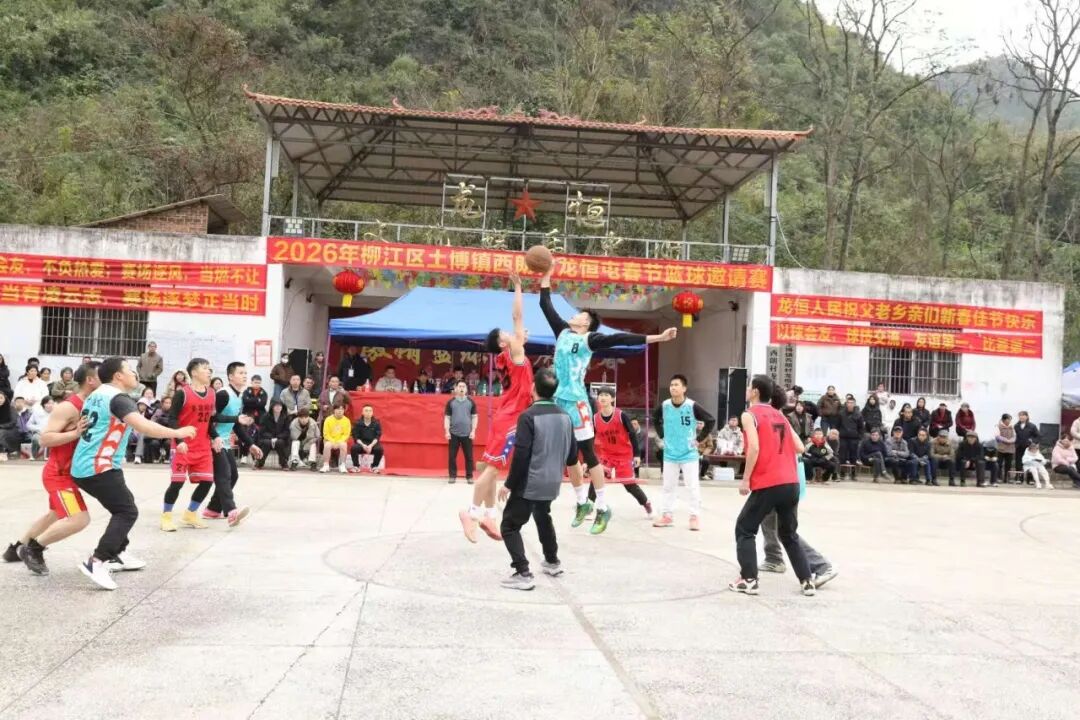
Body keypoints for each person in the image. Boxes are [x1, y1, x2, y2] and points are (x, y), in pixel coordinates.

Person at [539, 264, 677, 534]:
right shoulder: (563, 333)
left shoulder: (590, 339)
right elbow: (545, 304)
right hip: (559, 401)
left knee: (588, 453)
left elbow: (622, 339)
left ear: (586, 323)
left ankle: (602, 507)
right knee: (569, 456)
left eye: (579, 314)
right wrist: (546, 273)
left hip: (578, 402)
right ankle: (582, 502)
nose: (573, 315)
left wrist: (658, 337)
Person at [72, 357, 196, 589]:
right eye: (129, 370)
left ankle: (118, 552)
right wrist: (177, 432)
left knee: (123, 505)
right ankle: (97, 561)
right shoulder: (117, 398)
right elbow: (143, 426)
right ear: (118, 376)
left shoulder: (97, 394)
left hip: (89, 464)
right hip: (98, 465)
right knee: (126, 511)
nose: (135, 374)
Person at [4, 362, 100, 575]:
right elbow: (45, 439)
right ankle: (33, 549)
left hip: (70, 473)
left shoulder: (94, 404)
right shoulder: (69, 406)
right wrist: (74, 434)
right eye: (103, 376)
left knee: (54, 514)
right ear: (91, 380)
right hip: (59, 475)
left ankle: (16, 549)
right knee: (79, 519)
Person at [459, 273, 534, 541]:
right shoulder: (514, 352)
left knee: (490, 467)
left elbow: (518, 333)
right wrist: (518, 287)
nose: (513, 333)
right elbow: (517, 316)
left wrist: (520, 338)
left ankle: (490, 514)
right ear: (504, 343)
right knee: (491, 470)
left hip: (504, 416)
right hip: (511, 419)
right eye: (507, 334)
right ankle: (471, 512)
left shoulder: (505, 357)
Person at [728, 374, 815, 597]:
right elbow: (799, 447)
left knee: (744, 528)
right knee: (789, 534)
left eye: (749, 386)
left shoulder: (749, 414)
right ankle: (807, 580)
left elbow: (754, 448)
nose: (747, 390)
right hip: (791, 482)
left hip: (769, 481)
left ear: (755, 391)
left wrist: (746, 479)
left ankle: (749, 580)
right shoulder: (780, 414)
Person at [495, 367, 577, 590]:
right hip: (553, 481)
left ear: (533, 388)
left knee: (509, 525)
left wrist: (509, 484)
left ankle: (522, 572)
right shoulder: (566, 417)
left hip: (531, 480)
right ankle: (552, 561)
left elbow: (521, 455)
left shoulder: (528, 416)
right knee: (542, 515)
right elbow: (572, 455)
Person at [758, 385, 838, 587]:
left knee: (786, 531)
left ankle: (821, 565)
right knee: (768, 519)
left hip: (782, 478)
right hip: (784, 477)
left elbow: (798, 447)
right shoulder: (777, 417)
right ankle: (774, 558)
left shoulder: (773, 418)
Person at [161, 358, 218, 532]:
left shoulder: (212, 393)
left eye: (209, 368)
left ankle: (190, 513)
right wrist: (179, 440)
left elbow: (208, 420)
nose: (209, 371)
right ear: (194, 372)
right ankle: (166, 517)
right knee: (177, 483)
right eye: (204, 368)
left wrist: (215, 437)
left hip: (203, 446)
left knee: (207, 481)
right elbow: (172, 418)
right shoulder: (182, 393)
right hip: (183, 446)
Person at [651, 374, 714, 530]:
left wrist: (699, 439)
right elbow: (654, 418)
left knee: (692, 486)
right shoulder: (665, 405)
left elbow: (710, 420)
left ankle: (694, 516)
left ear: (684, 388)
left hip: (689, 453)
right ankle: (667, 515)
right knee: (668, 486)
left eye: (676, 385)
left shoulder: (692, 406)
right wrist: (662, 435)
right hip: (670, 453)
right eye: (671, 385)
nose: (673, 387)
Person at [201, 362, 258, 524]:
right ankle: (231, 511)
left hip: (225, 442)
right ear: (230, 376)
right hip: (213, 440)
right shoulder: (223, 394)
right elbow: (210, 418)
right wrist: (216, 436)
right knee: (224, 475)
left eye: (245, 373)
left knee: (233, 475)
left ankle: (212, 510)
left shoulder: (239, 397)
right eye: (240, 373)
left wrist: (250, 444)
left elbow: (236, 425)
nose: (244, 376)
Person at [591, 388, 652, 517]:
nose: (603, 397)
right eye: (600, 395)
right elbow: (591, 438)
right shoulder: (595, 418)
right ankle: (589, 508)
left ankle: (646, 504)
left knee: (629, 485)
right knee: (596, 479)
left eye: (606, 395)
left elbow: (632, 434)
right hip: (606, 455)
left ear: (613, 399)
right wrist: (589, 457)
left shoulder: (620, 415)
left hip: (623, 455)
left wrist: (636, 455)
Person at [444, 380, 477, 485]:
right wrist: (447, 431)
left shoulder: (471, 402)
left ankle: (469, 476)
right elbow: (447, 418)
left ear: (466, 389)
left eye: (463, 386)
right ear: (456, 388)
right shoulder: (451, 402)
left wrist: (473, 431)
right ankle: (452, 476)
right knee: (452, 457)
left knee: (469, 457)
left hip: (467, 434)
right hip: (453, 434)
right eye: (460, 386)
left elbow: (474, 417)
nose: (461, 388)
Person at [256, 400, 290, 469]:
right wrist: (271, 438)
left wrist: (277, 437)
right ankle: (260, 462)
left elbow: (287, 431)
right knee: (266, 443)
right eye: (276, 406)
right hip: (267, 438)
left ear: (282, 407)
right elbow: (262, 431)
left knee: (280, 442)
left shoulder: (286, 417)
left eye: (280, 406)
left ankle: (284, 463)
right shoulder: (265, 416)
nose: (278, 407)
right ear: (272, 407)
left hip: (280, 438)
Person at [836, 397, 864, 479]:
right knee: (842, 456)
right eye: (848, 402)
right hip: (843, 438)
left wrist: (859, 437)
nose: (850, 404)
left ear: (854, 404)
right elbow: (837, 425)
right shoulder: (841, 413)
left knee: (853, 456)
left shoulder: (858, 414)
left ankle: (853, 474)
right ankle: (842, 473)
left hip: (854, 438)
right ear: (846, 403)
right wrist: (838, 434)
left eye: (852, 403)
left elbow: (861, 427)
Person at [349, 404, 382, 472]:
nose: (368, 412)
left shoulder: (376, 423)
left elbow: (377, 437)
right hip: (361, 443)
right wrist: (363, 445)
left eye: (370, 411)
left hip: (372, 444)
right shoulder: (357, 423)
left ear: (372, 413)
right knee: (354, 448)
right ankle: (356, 466)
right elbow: (356, 437)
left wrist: (371, 445)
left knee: (379, 449)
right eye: (366, 411)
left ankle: (374, 466)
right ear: (362, 413)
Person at [320, 404, 351, 474]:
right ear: (334, 410)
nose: (340, 411)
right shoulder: (328, 419)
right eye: (338, 409)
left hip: (340, 440)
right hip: (330, 440)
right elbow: (326, 433)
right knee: (327, 445)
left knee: (343, 445)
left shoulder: (346, 420)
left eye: (342, 409)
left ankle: (342, 465)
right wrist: (333, 441)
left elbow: (346, 434)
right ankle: (326, 465)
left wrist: (339, 442)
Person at [995, 414, 1016, 480]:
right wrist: (1006, 440)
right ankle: (998, 477)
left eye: (1010, 419)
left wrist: (1011, 440)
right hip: (1001, 448)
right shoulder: (998, 426)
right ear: (1004, 419)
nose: (1009, 421)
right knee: (999, 464)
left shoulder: (1012, 427)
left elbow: (1015, 436)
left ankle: (1007, 478)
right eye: (1008, 419)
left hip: (1010, 448)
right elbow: (997, 436)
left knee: (1008, 464)